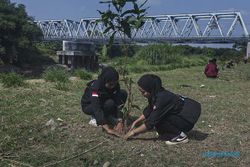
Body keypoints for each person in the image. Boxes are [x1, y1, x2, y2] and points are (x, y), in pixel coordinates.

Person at [124, 74, 201, 145]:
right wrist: (136, 122)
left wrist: (133, 132)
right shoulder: (155, 93)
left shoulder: (162, 99)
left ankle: (180, 136)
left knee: (158, 119)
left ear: (150, 89)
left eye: (143, 92)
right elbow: (149, 110)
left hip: (187, 120)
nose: (142, 94)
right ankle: (169, 131)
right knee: (157, 118)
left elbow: (151, 122)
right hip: (180, 114)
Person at [81, 66, 127, 136]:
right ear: (104, 80)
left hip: (104, 100)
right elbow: (96, 106)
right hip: (89, 105)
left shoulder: (115, 85)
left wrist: (119, 120)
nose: (113, 86)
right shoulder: (95, 87)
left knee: (123, 93)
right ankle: (97, 118)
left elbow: (119, 102)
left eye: (115, 84)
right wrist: (107, 129)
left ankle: (109, 116)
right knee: (109, 103)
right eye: (110, 84)